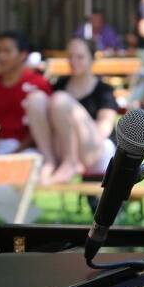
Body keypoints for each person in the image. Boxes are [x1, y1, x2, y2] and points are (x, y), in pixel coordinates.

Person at [24, 37, 118, 184]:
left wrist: (80, 150)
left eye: (80, 57)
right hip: (62, 147)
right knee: (36, 98)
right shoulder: (58, 86)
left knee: (60, 99)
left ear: (91, 59)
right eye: (70, 57)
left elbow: (104, 128)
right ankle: (50, 161)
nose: (73, 61)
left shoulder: (103, 90)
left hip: (95, 148)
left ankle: (70, 162)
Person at [0, 30, 52, 156]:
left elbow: (43, 126)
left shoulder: (38, 84)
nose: (0, 56)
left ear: (23, 55)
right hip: (0, 144)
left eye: (7, 51)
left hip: (34, 147)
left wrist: (14, 154)